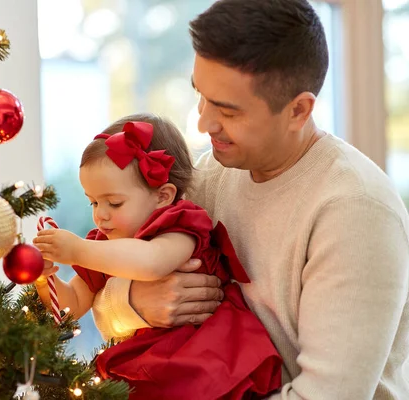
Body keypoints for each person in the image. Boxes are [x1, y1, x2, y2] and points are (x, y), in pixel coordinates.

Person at [89, 1, 409, 399]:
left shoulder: (355, 211)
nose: (204, 122)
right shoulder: (211, 176)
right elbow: (105, 304)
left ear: (298, 110)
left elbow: (326, 395)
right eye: (201, 96)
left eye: (227, 111)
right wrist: (134, 301)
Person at [33, 113, 282, 399]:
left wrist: (78, 250)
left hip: (204, 355)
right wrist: (44, 280)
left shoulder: (181, 226)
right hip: (149, 360)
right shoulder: (105, 244)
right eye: (94, 201)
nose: (100, 215)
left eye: (114, 202)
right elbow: (73, 306)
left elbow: (151, 262)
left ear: (163, 196)